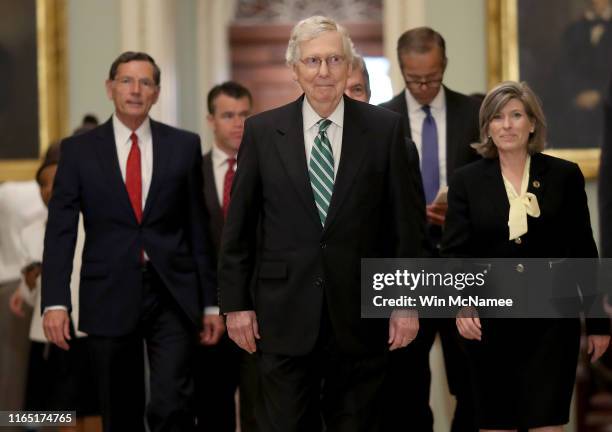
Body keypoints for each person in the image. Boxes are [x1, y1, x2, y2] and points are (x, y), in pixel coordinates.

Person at [218, 15, 425, 432]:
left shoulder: (386, 131)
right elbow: (238, 229)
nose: (324, 72)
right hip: (281, 317)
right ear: (294, 69)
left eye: (334, 59)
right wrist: (236, 305)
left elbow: (407, 229)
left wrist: (406, 302)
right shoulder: (261, 132)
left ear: (349, 65)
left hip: (361, 319)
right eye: (312, 61)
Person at [41, 51, 223, 432]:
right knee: (119, 408)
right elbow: (61, 231)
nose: (135, 90)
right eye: (126, 81)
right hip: (107, 290)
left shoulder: (183, 146)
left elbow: (197, 230)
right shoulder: (78, 152)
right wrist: (55, 301)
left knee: (172, 402)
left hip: (172, 291)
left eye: (145, 82)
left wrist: (210, 303)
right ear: (110, 88)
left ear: (156, 92)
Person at [442, 80, 610, 431]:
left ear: (532, 123)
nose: (507, 125)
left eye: (516, 115)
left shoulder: (564, 176)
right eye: (498, 117)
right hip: (489, 327)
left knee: (547, 423)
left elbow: (584, 251)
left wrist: (597, 323)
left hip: (552, 327)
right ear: (487, 126)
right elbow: (455, 253)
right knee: (495, 422)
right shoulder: (466, 182)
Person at [379, 26, 480, 432]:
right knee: (405, 386)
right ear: (402, 69)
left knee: (471, 381)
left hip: (462, 263)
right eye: (414, 79)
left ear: (445, 66)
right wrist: (410, 212)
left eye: (432, 78)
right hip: (406, 265)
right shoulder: (381, 119)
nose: (423, 87)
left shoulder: (473, 114)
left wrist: (458, 209)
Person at [9, 147, 101, 432]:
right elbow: (29, 296)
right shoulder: (29, 232)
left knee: (95, 407)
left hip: (89, 329)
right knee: (57, 413)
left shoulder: (96, 224)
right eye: (43, 185)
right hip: (48, 335)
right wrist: (27, 284)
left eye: (56, 181)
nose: (49, 190)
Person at [197, 81, 257, 431]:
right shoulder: (192, 171)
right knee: (212, 411)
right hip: (209, 316)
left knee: (258, 411)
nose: (238, 123)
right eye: (228, 115)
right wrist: (209, 306)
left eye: (245, 114)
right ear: (211, 120)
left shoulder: (269, 165)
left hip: (259, 311)